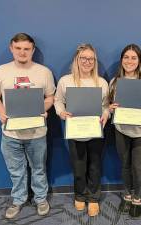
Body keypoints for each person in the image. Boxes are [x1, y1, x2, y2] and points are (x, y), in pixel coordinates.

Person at [0, 33, 56, 219]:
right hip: (10, 133)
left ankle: (41, 199)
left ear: (32, 50)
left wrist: (43, 108)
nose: (22, 52)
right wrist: (1, 112)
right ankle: (18, 199)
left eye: (26, 49)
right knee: (16, 171)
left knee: (38, 168)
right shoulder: (1, 71)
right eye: (18, 48)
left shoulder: (44, 72)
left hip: (37, 133)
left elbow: (51, 96)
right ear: (11, 48)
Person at [54, 43, 109, 217]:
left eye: (91, 58)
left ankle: (93, 198)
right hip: (75, 131)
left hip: (95, 131)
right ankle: (79, 195)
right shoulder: (65, 80)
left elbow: (106, 105)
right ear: (76, 60)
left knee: (94, 166)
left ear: (95, 61)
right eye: (83, 58)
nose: (87, 61)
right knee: (78, 167)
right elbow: (58, 101)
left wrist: (106, 114)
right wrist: (61, 112)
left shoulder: (101, 82)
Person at [108, 44, 141, 217]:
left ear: (139, 61)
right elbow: (110, 106)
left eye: (133, 57)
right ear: (122, 59)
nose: (129, 61)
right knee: (125, 165)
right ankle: (127, 195)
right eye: (126, 57)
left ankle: (137, 198)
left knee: (137, 167)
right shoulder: (115, 82)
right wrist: (111, 108)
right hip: (121, 129)